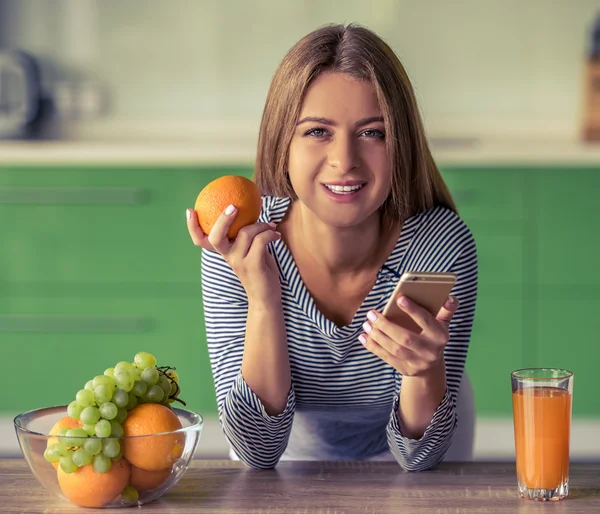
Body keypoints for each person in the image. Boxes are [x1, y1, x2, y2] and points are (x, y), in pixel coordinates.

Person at [186, 23, 478, 471]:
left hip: (411, 444)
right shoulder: (239, 248)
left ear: (401, 144)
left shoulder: (436, 245)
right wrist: (264, 300)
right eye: (318, 131)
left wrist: (422, 372)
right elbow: (257, 451)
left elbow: (418, 456)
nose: (345, 161)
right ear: (282, 142)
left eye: (373, 133)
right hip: (290, 448)